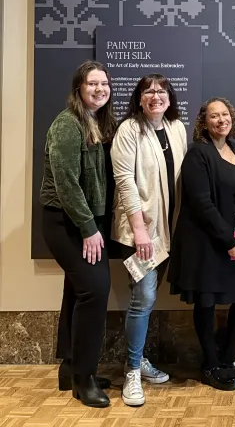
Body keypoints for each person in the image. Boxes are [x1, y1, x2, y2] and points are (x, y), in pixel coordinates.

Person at [168, 98, 235, 391]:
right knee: (206, 300)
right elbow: (201, 204)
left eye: (225, 114)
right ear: (203, 122)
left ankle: (228, 356)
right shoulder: (198, 153)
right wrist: (227, 240)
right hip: (206, 240)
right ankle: (209, 365)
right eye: (214, 116)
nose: (221, 120)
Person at [40, 60, 117, 408]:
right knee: (94, 291)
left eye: (104, 84)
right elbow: (66, 182)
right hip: (66, 222)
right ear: (78, 89)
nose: (99, 89)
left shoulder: (95, 122)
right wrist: (88, 228)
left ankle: (71, 368)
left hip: (87, 221)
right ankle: (84, 380)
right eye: (92, 83)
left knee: (77, 290)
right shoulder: (67, 124)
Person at [111, 74, 187, 406]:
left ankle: (139, 359)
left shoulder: (177, 128)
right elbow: (124, 180)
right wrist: (140, 229)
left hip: (169, 231)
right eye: (148, 91)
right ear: (139, 98)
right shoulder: (130, 129)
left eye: (161, 91)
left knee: (149, 298)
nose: (156, 96)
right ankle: (131, 370)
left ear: (170, 97)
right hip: (140, 233)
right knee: (142, 298)